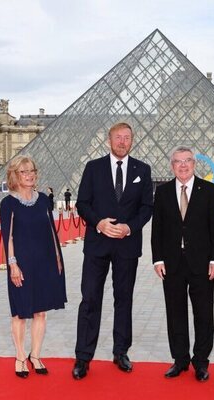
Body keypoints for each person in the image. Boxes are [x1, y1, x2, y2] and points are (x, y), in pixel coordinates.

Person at [72, 122, 153, 379]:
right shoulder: (93, 168)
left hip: (127, 244)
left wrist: (129, 227)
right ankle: (83, 357)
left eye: (126, 137)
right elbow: (82, 203)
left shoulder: (143, 169)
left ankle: (121, 352)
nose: (122, 142)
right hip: (97, 243)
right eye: (118, 137)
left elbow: (147, 208)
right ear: (109, 139)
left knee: (124, 300)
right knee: (90, 300)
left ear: (132, 140)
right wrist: (98, 223)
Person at [151, 146, 214, 382]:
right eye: (178, 161)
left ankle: (201, 361)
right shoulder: (161, 192)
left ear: (195, 163)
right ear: (171, 165)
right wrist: (157, 259)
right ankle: (180, 359)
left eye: (187, 161)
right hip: (171, 262)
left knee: (204, 313)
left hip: (202, 262)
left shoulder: (209, 190)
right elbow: (157, 229)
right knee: (175, 312)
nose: (183, 165)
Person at [0, 155, 67, 378]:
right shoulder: (8, 203)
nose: (29, 175)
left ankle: (35, 355)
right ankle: (20, 356)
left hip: (45, 261)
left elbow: (51, 231)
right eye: (24, 172)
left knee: (40, 311)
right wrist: (13, 265)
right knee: (20, 312)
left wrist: (58, 258)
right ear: (14, 176)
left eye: (32, 171)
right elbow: (7, 237)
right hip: (22, 264)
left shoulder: (43, 201)